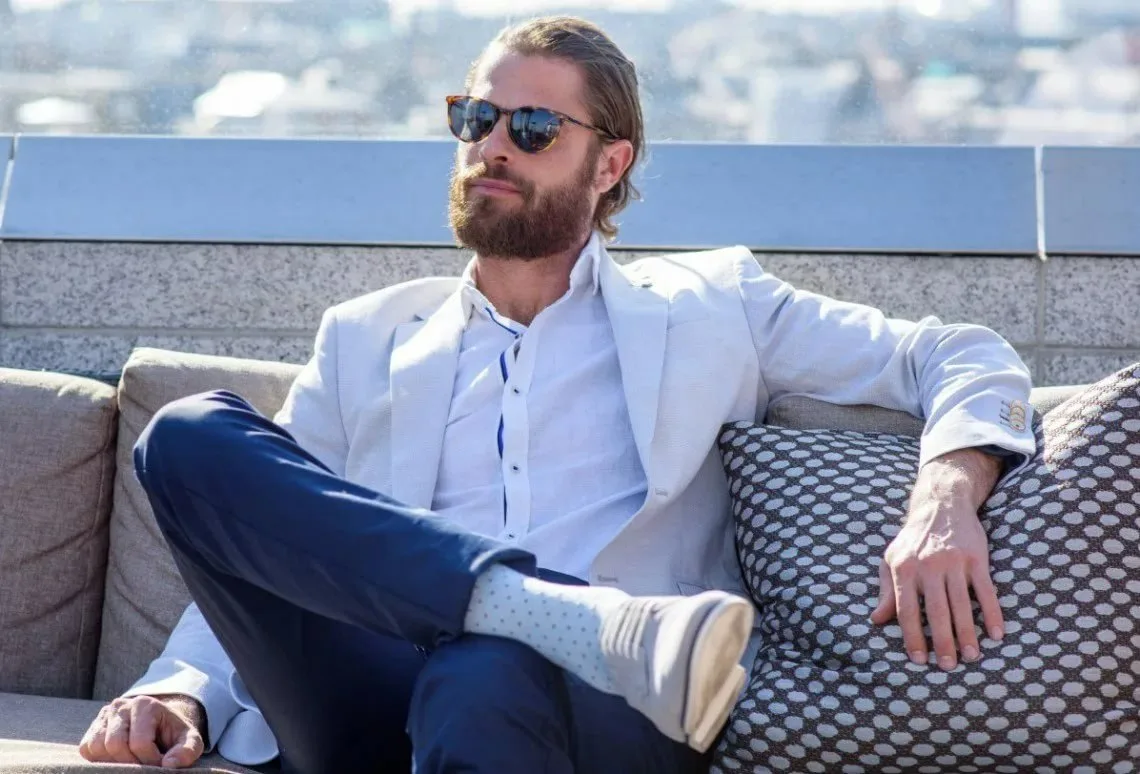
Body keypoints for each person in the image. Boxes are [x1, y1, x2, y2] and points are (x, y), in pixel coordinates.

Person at [77, 15, 1036, 774]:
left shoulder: (715, 305)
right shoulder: (367, 335)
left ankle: (551, 629)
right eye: (475, 119)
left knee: (484, 669)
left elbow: (960, 353)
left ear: (609, 164)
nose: (492, 147)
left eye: (532, 128)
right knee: (187, 435)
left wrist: (945, 500)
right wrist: (182, 689)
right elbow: (271, 543)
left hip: (612, 704)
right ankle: (532, 605)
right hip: (369, 692)